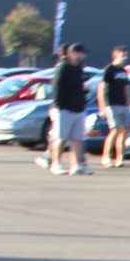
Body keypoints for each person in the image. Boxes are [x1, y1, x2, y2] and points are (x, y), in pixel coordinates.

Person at [38, 43, 90, 175]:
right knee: (60, 138)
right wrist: (60, 108)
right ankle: (56, 164)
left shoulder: (78, 69)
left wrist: (83, 96)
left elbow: (81, 86)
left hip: (78, 109)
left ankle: (78, 165)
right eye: (81, 53)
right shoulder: (63, 68)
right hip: (64, 109)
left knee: (77, 139)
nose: (83, 56)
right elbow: (57, 90)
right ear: (73, 53)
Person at [98, 45, 130, 168]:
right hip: (112, 105)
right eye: (122, 55)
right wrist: (103, 106)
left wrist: (129, 102)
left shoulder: (123, 72)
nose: (125, 58)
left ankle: (120, 158)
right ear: (116, 55)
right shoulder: (109, 70)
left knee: (124, 131)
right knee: (115, 130)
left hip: (123, 104)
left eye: (126, 56)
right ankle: (106, 156)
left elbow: (127, 87)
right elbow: (102, 88)